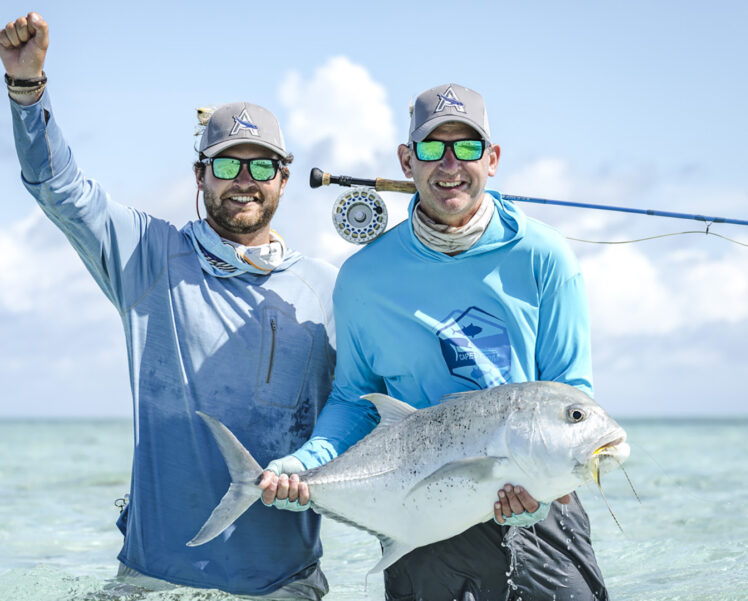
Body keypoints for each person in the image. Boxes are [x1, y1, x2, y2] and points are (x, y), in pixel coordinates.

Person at [1, 12, 336, 600]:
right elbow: (60, 189)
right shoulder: (150, 258)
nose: (244, 180)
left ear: (284, 180)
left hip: (285, 584)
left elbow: (360, 418)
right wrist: (29, 92)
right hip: (151, 582)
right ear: (200, 176)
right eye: (227, 164)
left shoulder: (327, 291)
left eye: (261, 166)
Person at [261, 83, 609, 601]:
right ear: (407, 160)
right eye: (431, 148)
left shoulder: (544, 257)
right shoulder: (363, 276)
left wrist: (544, 488)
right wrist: (309, 461)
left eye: (467, 147)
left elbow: (571, 395)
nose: (450, 164)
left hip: (533, 505)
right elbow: (354, 399)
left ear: (492, 159)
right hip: (414, 504)